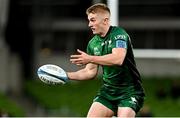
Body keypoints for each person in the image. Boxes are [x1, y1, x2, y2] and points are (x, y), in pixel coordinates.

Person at [67, 3, 145, 117]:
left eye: (93, 20)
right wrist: (66, 75)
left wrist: (90, 58)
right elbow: (90, 72)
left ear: (105, 20)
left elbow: (118, 58)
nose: (89, 24)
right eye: (89, 21)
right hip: (108, 91)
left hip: (130, 91)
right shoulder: (92, 44)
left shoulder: (119, 34)